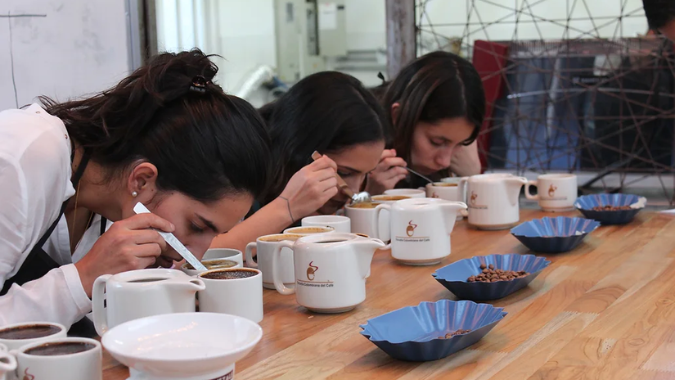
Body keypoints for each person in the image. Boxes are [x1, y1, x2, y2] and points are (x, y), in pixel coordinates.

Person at [0, 49, 272, 332]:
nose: (195, 254)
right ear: (141, 180)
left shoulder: (109, 206)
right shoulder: (21, 158)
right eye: (196, 225)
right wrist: (85, 277)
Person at [211, 71, 387, 252]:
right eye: (343, 173)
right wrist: (287, 207)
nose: (353, 191)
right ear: (299, 146)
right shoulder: (236, 160)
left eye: (366, 174)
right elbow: (200, 256)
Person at [366, 51, 486, 194]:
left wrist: (472, 174)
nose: (445, 162)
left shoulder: (446, 161)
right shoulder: (356, 141)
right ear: (398, 116)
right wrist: (369, 196)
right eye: (436, 142)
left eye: (461, 144)